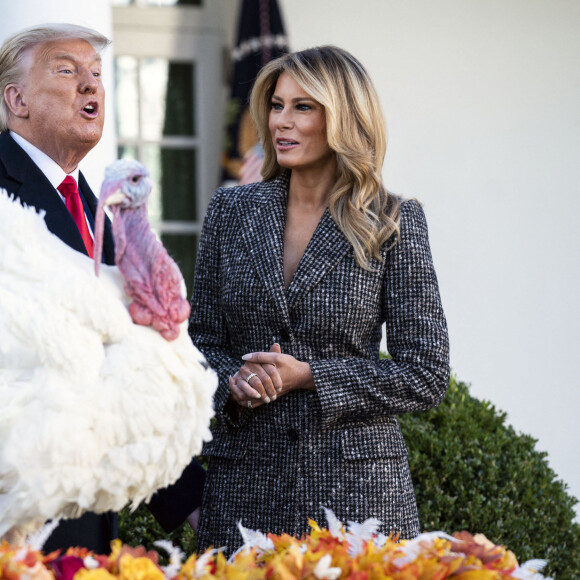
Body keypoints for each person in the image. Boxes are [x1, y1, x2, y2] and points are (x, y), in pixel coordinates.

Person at [189, 45, 450, 554]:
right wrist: (234, 380)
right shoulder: (230, 209)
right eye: (277, 105)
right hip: (244, 487)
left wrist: (309, 376)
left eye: (303, 107)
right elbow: (199, 343)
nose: (282, 122)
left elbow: (426, 372)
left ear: (344, 117)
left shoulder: (394, 221)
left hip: (359, 499)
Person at [0, 22, 204, 551]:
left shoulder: (99, 210)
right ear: (15, 99)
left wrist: (193, 507)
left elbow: (120, 374)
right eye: (67, 71)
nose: (90, 85)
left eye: (95, 74)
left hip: (85, 523)